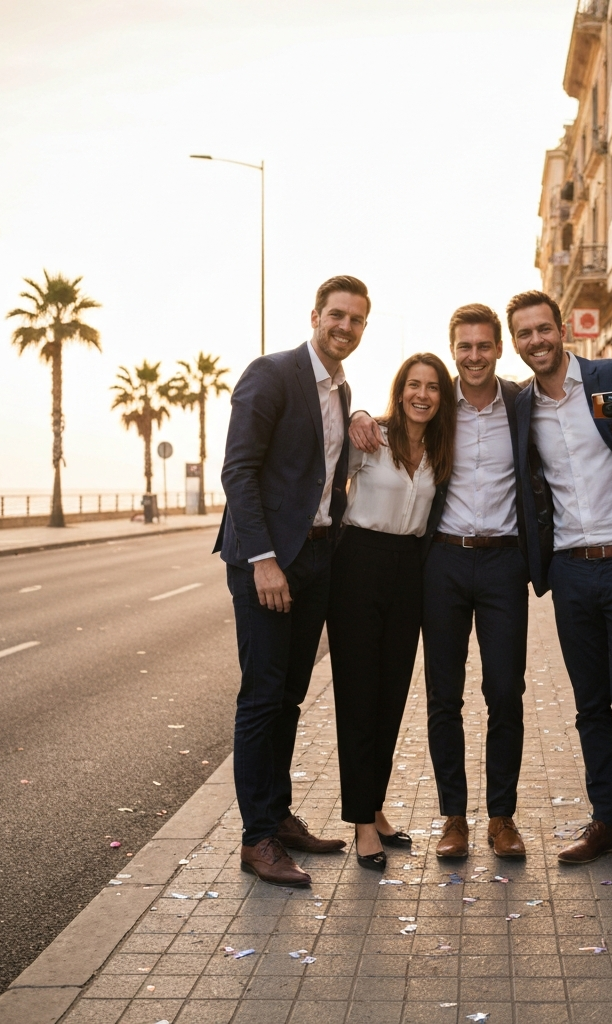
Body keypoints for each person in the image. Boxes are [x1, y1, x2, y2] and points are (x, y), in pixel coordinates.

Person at [350, 304, 530, 861]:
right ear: (454, 351)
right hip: (442, 565)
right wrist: (360, 412)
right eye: (464, 347)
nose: (473, 356)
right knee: (442, 697)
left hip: (504, 562)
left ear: (498, 349)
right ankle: (455, 816)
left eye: (483, 346)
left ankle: (502, 816)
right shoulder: (436, 407)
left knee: (505, 691)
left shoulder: (522, 404)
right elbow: (383, 428)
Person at [510, 290, 612, 879]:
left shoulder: (609, 377)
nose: (536, 341)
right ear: (517, 342)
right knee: (589, 704)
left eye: (543, 329)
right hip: (571, 569)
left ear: (562, 331)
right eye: (524, 334)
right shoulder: (521, 406)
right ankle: (604, 820)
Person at [216, 275, 370, 887]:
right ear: (315, 315)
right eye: (337, 315)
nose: (345, 327)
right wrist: (262, 559)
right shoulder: (271, 373)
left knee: (289, 696)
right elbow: (239, 470)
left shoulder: (340, 387)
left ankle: (278, 818)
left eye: (357, 320)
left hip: (314, 560)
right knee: (261, 696)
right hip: (267, 563)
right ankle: (256, 838)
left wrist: (359, 410)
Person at [328, 353, 456, 870]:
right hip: (358, 564)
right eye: (413, 385)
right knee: (359, 696)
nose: (422, 394)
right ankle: (361, 822)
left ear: (441, 398)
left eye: (432, 387)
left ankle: (374, 807)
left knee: (391, 696)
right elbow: (333, 477)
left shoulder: (440, 450)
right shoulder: (372, 437)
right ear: (399, 389)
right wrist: (358, 412)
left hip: (410, 571)